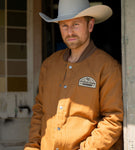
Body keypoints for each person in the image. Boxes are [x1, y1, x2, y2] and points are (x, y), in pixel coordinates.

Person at [24, 0, 123, 150]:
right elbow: (39, 111)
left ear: (90, 26)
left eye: (76, 24)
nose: (69, 32)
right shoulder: (49, 65)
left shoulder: (108, 67)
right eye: (64, 25)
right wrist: (32, 147)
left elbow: (112, 119)